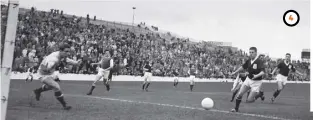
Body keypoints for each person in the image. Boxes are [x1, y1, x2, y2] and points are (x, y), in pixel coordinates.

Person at [33, 44, 81, 110]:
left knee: (50, 86)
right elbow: (46, 68)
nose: (68, 53)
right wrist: (52, 71)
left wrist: (75, 63)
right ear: (60, 51)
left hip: (50, 72)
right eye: (66, 51)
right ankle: (65, 106)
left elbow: (66, 60)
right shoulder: (53, 59)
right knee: (56, 86)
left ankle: (38, 91)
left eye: (68, 51)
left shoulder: (60, 55)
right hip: (43, 74)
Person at [230, 47, 265, 112]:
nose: (251, 54)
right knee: (240, 94)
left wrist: (257, 75)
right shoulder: (249, 61)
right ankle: (236, 109)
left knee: (249, 100)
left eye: (252, 52)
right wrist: (235, 72)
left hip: (256, 82)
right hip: (248, 80)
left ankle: (259, 94)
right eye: (250, 52)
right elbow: (243, 67)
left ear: (256, 53)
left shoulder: (259, 61)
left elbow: (263, 72)